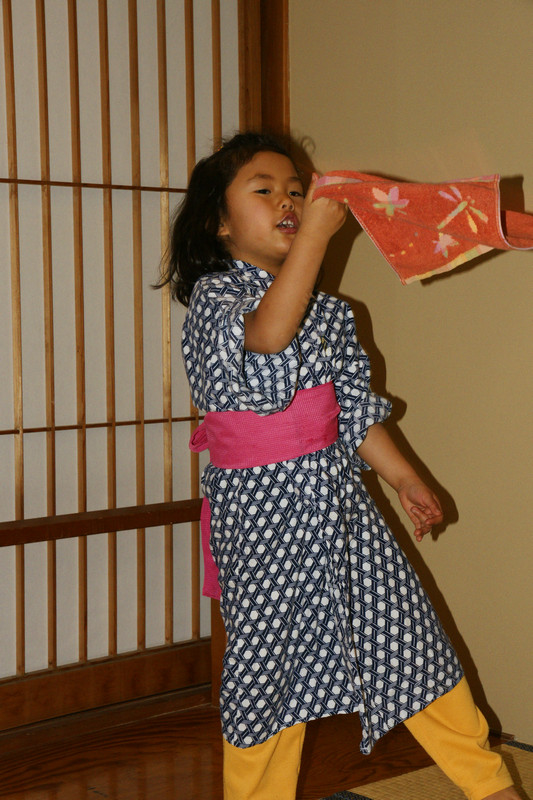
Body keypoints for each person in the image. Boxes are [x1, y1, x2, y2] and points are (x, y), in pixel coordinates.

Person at [159, 132, 521, 800]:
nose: (289, 201)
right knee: (268, 676)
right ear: (219, 223)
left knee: (410, 643)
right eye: (264, 190)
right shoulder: (215, 299)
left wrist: (406, 478)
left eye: (298, 191)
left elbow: (351, 412)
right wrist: (317, 240)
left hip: (340, 508)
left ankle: (491, 787)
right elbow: (266, 341)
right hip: (262, 523)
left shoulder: (330, 313)